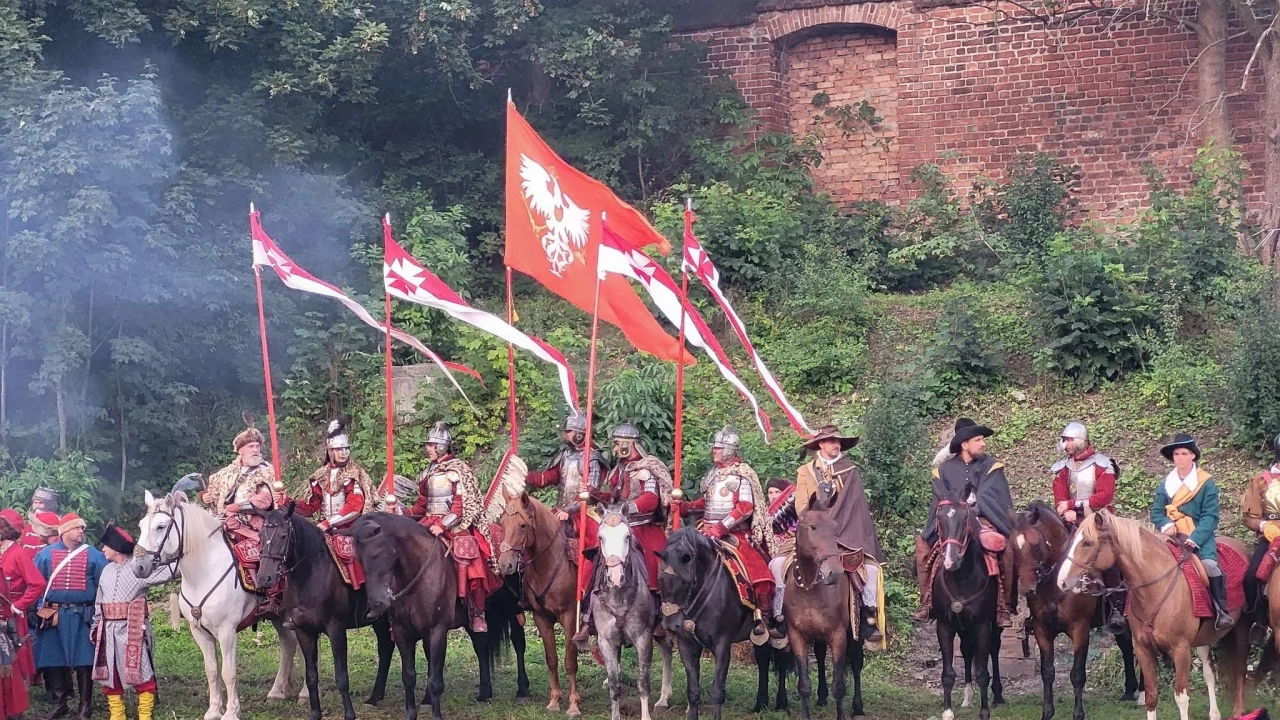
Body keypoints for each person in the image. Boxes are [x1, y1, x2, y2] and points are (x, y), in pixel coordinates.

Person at [675, 426, 780, 640]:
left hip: (734, 533)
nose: (714, 451)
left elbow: (745, 507)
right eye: (715, 447)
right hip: (705, 529)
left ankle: (765, 617)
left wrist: (720, 528)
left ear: (729, 451)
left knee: (759, 573)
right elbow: (706, 504)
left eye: (718, 448)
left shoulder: (741, 474)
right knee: (675, 561)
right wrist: (684, 507)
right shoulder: (713, 475)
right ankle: (674, 610)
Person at [573, 423, 672, 647]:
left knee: (656, 564)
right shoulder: (620, 469)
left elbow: (651, 498)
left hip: (643, 527)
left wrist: (626, 510)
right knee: (595, 561)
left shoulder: (645, 468)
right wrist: (594, 493)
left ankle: (660, 615)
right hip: (619, 527)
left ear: (629, 444)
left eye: (618, 444)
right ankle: (589, 616)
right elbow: (614, 497)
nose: (615, 449)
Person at [915, 418, 1017, 627]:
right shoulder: (943, 471)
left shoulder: (991, 466)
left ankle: (1003, 606)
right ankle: (926, 601)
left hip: (983, 519)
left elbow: (990, 497)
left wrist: (970, 513)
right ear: (964, 444)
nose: (983, 443)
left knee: (1004, 547)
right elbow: (940, 500)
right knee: (922, 548)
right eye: (978, 440)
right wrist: (953, 514)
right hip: (951, 521)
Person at [795, 425, 887, 645]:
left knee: (871, 570)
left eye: (839, 442)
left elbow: (855, 508)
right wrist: (814, 523)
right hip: (814, 533)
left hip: (845, 533)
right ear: (821, 444)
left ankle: (869, 617)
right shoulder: (805, 471)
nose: (836, 446)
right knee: (779, 566)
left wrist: (835, 526)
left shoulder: (850, 470)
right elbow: (800, 505)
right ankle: (777, 618)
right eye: (832, 441)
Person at [407, 421, 500, 632]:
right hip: (428, 520)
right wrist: (404, 514)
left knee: (469, 553)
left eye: (431, 445)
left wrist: (443, 525)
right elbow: (422, 503)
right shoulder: (427, 472)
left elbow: (460, 506)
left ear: (442, 446)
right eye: (427, 445)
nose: (428, 448)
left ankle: (477, 611)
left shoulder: (458, 470)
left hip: (454, 523)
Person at [524, 411, 608, 610]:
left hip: (585, 512)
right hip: (560, 511)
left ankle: (594, 591)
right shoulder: (565, 456)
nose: (565, 435)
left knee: (595, 547)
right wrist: (523, 474)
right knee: (531, 537)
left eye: (569, 431)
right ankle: (526, 593)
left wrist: (570, 511)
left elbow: (591, 492)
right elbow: (547, 478)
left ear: (580, 433)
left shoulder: (593, 458)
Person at [91, 522, 173, 720]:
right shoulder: (106, 571)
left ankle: (145, 716)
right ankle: (117, 717)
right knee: (111, 677)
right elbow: (99, 602)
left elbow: (170, 571)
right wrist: (95, 626)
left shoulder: (139, 569)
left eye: (106, 546)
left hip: (132, 631)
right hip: (108, 632)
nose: (103, 549)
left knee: (141, 674)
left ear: (117, 548)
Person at [1051, 421, 1125, 632]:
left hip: (1100, 519)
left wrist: (1075, 506)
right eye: (1064, 440)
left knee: (1112, 559)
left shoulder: (1102, 464)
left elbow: (1104, 496)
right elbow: (1060, 495)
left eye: (1068, 440)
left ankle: (1116, 608)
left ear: (1080, 440)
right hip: (1071, 519)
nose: (1065, 445)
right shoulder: (1063, 467)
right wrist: (1065, 511)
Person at [1154, 433, 1232, 631]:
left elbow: (1210, 516)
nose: (1180, 457)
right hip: (1171, 536)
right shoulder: (1166, 484)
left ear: (1193, 456)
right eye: (1177, 454)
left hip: (1198, 535)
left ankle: (1220, 610)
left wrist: (1195, 539)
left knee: (1210, 566)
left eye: (1184, 453)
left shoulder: (1206, 483)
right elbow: (1156, 511)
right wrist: (1165, 524)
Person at [34, 513, 108, 720]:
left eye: (82, 528)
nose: (81, 531)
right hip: (54, 614)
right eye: (77, 528)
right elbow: (35, 583)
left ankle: (85, 706)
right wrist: (32, 610)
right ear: (64, 531)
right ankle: (60, 703)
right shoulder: (46, 555)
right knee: (53, 658)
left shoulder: (93, 555)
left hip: (82, 615)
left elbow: (105, 583)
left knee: (85, 660)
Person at [201, 414, 281, 545]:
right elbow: (213, 493)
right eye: (251, 447)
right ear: (240, 451)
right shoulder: (226, 472)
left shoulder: (266, 471)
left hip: (252, 525)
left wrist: (237, 507)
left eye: (257, 446)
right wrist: (205, 497)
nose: (255, 450)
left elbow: (265, 500)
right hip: (222, 522)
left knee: (256, 555)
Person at [0, 509, 45, 720]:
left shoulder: (17, 554)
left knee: (12, 666)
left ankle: (13, 710)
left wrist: (20, 604)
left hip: (12, 619)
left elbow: (37, 583)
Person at [293, 418, 372, 533]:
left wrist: (328, 523)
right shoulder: (321, 475)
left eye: (346, 449)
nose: (343, 453)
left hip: (349, 529)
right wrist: (287, 502)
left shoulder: (353, 473)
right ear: (330, 452)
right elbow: (312, 506)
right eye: (339, 450)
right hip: (324, 527)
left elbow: (354, 507)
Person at [1242, 431, 1280, 645]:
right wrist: (1263, 525)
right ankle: (1260, 621)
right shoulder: (1262, 480)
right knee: (1250, 577)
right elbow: (1248, 516)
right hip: (1272, 535)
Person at [765, 478, 797, 634]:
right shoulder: (763, 512)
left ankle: (779, 613)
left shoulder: (793, 507)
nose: (773, 496)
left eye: (777, 492)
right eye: (770, 492)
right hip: (768, 549)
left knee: (777, 566)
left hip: (791, 547)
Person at [21, 490, 60, 558]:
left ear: (49, 505)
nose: (37, 506)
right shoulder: (30, 523)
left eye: (41, 503)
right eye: (35, 502)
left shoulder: (53, 519)